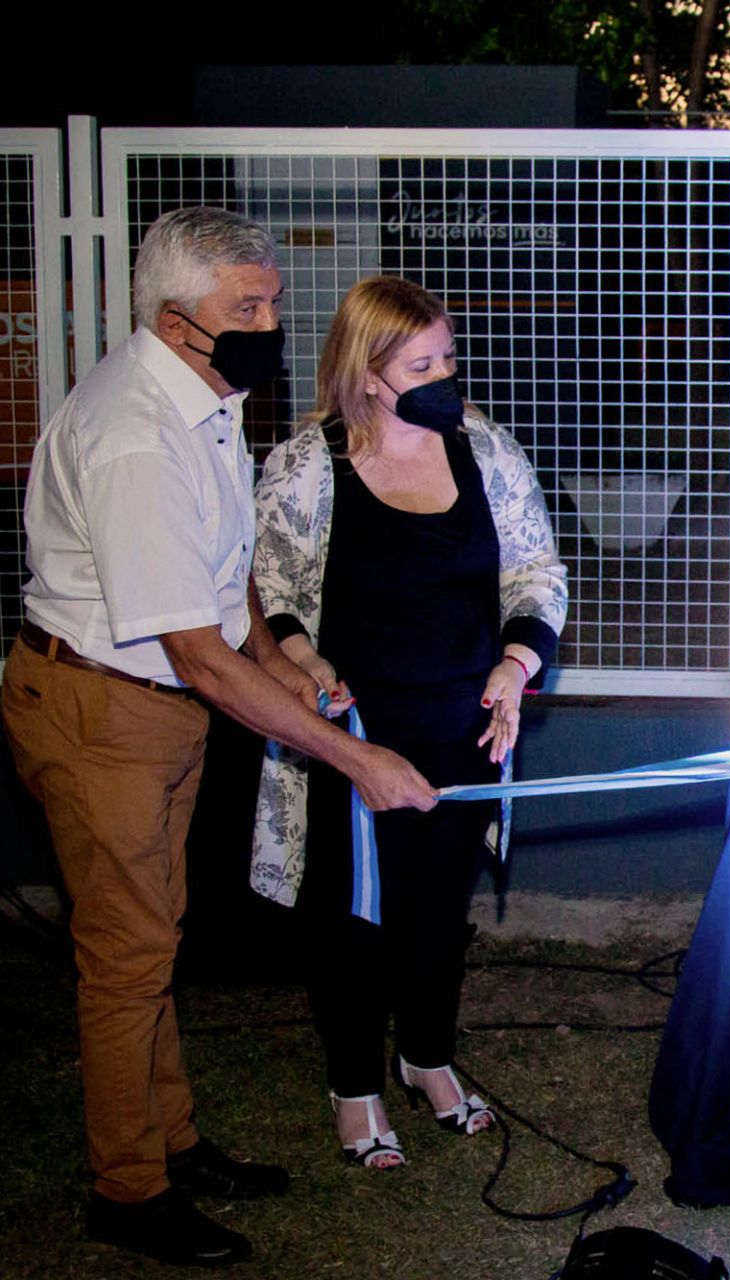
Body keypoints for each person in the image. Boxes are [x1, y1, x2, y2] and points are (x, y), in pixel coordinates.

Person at [1, 209, 437, 1267]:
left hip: (149, 709)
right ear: (173, 319)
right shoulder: (136, 438)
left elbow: (221, 568)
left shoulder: (202, 397)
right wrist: (359, 760)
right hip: (101, 709)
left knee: (155, 935)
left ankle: (176, 1143)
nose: (271, 326)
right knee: (125, 957)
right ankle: (129, 1189)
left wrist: (284, 662)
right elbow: (196, 653)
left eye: (273, 302)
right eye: (247, 308)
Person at [249, 276, 567, 1172]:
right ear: (367, 373)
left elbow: (536, 571)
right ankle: (354, 1085)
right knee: (349, 915)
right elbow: (269, 584)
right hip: (349, 736)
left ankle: (426, 1056)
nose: (444, 380)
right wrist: (303, 661)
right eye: (420, 366)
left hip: (463, 728)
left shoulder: (486, 451)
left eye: (448, 359)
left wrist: (515, 665)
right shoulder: (308, 465)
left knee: (436, 909)